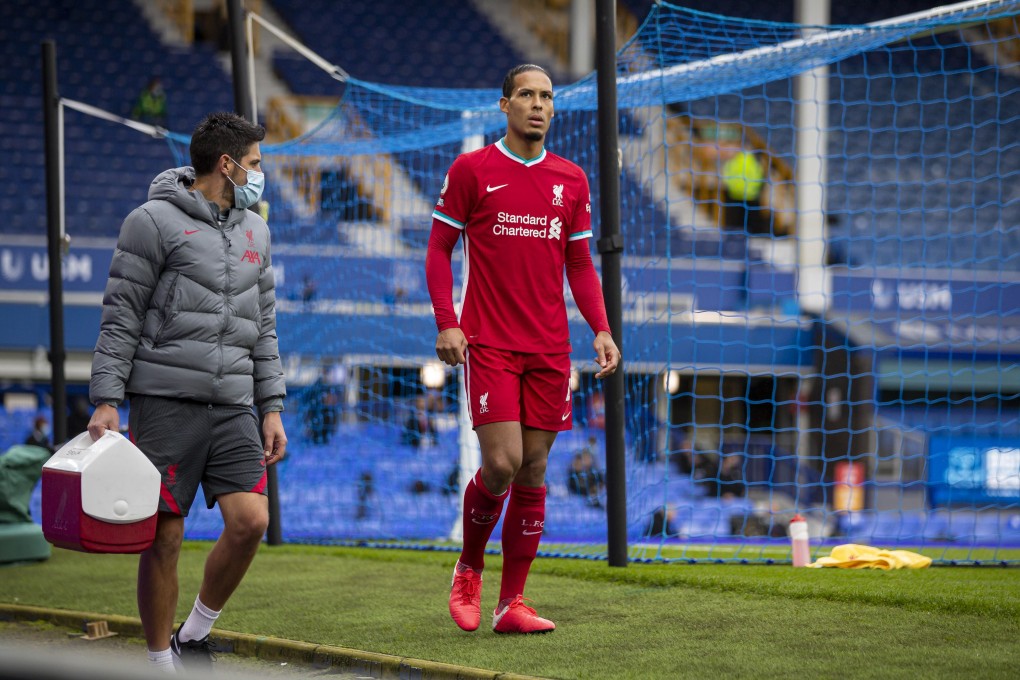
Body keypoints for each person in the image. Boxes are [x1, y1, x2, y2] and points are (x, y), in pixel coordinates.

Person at [87, 112, 287, 673]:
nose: (259, 174)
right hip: (166, 402)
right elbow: (121, 316)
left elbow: (264, 328)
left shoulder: (258, 230)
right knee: (165, 538)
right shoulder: (150, 221)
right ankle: (157, 663)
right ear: (226, 164)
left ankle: (192, 636)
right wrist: (107, 398)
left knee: (250, 521)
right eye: (253, 163)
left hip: (234, 407)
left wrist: (271, 407)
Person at [426, 64, 620, 635]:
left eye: (546, 96)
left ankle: (513, 605)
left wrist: (602, 328)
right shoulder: (473, 170)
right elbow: (439, 251)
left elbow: (580, 264)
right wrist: (447, 322)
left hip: (550, 350)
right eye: (527, 95)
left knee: (533, 472)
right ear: (504, 104)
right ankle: (468, 567)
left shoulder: (573, 179)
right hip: (488, 343)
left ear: (554, 109)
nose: (538, 104)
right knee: (503, 463)